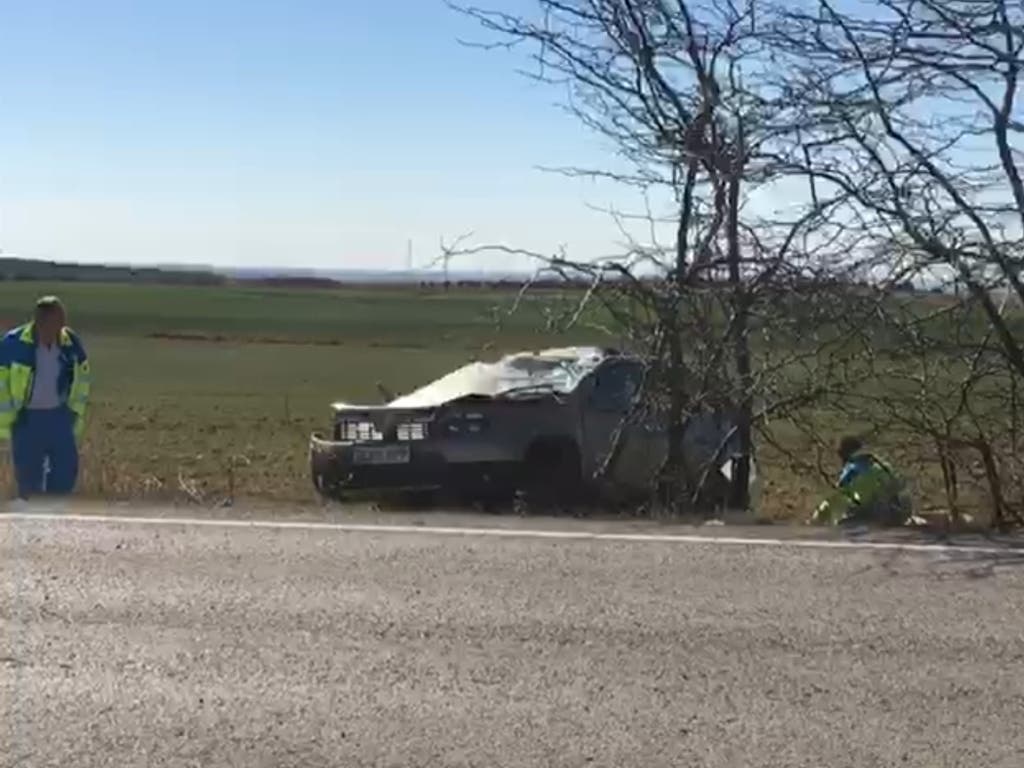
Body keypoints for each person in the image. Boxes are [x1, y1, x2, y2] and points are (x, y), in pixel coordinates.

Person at [0, 296, 92, 500]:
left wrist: (73, 412)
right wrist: (10, 418)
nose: (58, 330)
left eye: (60, 324)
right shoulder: (13, 344)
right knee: (29, 480)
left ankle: (53, 513)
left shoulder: (70, 342)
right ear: (38, 322)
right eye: (52, 325)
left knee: (66, 471)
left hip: (59, 417)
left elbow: (83, 376)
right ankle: (32, 523)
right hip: (27, 420)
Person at [811, 435, 911, 526]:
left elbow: (836, 494)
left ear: (845, 453)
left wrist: (816, 520)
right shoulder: (882, 465)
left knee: (842, 519)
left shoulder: (852, 469)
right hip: (901, 512)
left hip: (878, 514)